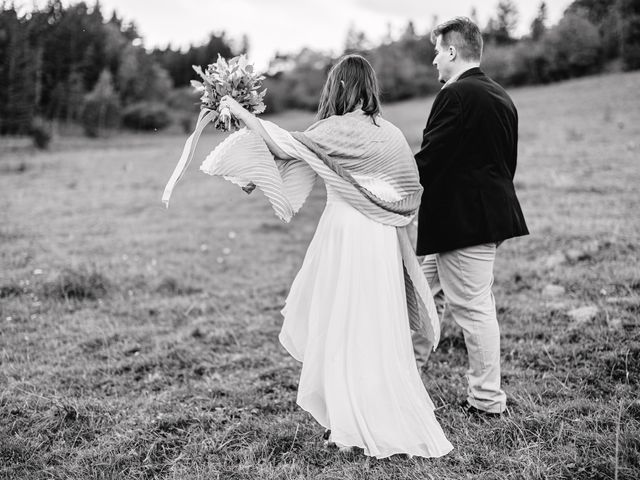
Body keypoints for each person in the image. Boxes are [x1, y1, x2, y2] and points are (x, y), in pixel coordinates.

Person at [207, 54, 453, 459]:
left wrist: (237, 111)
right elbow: (409, 189)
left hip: (346, 236)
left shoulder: (331, 129)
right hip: (380, 241)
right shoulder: (390, 133)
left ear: (337, 87)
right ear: (369, 87)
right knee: (373, 323)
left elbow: (282, 144)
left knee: (342, 323)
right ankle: (362, 412)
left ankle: (349, 423)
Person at [412, 17, 529, 416]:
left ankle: (486, 399)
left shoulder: (455, 94)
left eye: (436, 52)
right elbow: (504, 165)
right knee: (415, 295)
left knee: (474, 309)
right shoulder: (501, 96)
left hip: (461, 225)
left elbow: (427, 162)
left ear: (451, 51)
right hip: (470, 221)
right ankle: (405, 377)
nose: (433, 62)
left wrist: (384, 181)